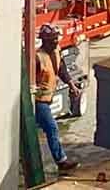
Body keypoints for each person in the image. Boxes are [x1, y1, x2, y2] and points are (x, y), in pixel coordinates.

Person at [33, 25, 77, 173]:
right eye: (52, 40)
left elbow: (61, 69)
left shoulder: (57, 51)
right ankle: (61, 161)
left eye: (56, 39)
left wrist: (71, 84)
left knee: (39, 129)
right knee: (52, 128)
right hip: (39, 101)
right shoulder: (37, 58)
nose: (56, 42)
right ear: (44, 41)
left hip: (47, 99)